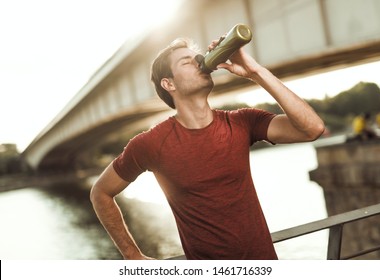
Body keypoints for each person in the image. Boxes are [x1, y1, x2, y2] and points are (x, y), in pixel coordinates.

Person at [90, 36, 325, 260]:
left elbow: (312, 129)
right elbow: (100, 192)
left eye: (199, 58)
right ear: (168, 83)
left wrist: (256, 72)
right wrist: (132, 255)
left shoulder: (242, 122)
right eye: (186, 61)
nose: (200, 62)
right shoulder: (150, 144)